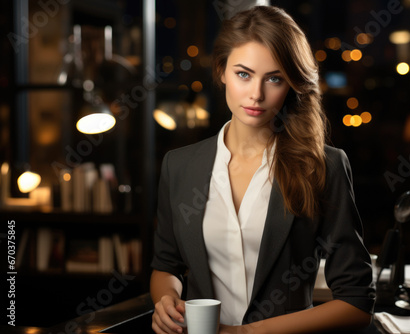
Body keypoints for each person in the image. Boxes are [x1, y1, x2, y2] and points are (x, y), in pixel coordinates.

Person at [150, 5, 375, 334]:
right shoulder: (179, 166)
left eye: (274, 79)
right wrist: (166, 300)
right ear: (221, 71)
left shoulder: (323, 166)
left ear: (291, 86)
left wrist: (243, 333)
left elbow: (356, 304)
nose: (256, 94)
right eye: (243, 74)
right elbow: (165, 266)